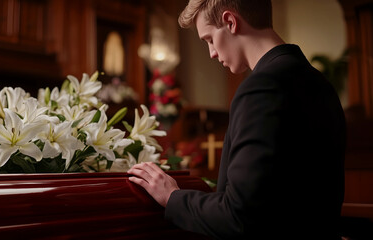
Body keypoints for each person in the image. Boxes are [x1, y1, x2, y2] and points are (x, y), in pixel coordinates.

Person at [127, 0, 346, 239]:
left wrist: (172, 197)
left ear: (230, 22)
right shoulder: (320, 83)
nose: (211, 52)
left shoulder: (261, 88)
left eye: (209, 39)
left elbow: (240, 216)